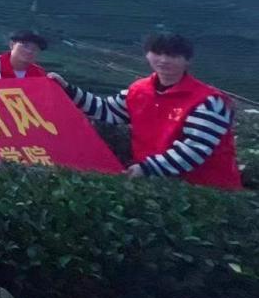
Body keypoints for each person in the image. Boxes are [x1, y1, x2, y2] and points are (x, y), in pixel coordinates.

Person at [49, 33, 240, 189]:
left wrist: (148, 168)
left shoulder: (209, 101)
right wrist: (68, 90)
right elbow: (107, 110)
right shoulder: (139, 90)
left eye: (172, 56)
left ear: (187, 61)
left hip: (207, 191)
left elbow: (195, 149)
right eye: (157, 53)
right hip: (156, 184)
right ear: (147, 55)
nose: (163, 60)